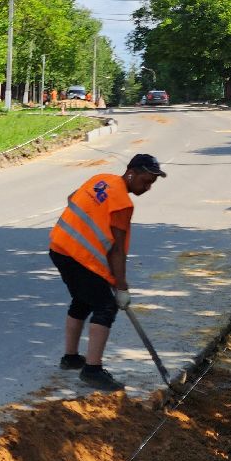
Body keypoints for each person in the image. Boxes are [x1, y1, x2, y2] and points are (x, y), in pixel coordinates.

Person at [48, 153, 167, 390]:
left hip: (59, 246)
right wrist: (121, 286)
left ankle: (70, 358)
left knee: (83, 299)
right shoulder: (122, 203)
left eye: (152, 183)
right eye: (145, 181)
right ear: (131, 173)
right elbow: (117, 250)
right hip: (77, 256)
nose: (148, 187)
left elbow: (72, 197)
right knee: (106, 305)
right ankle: (92, 369)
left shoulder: (101, 179)